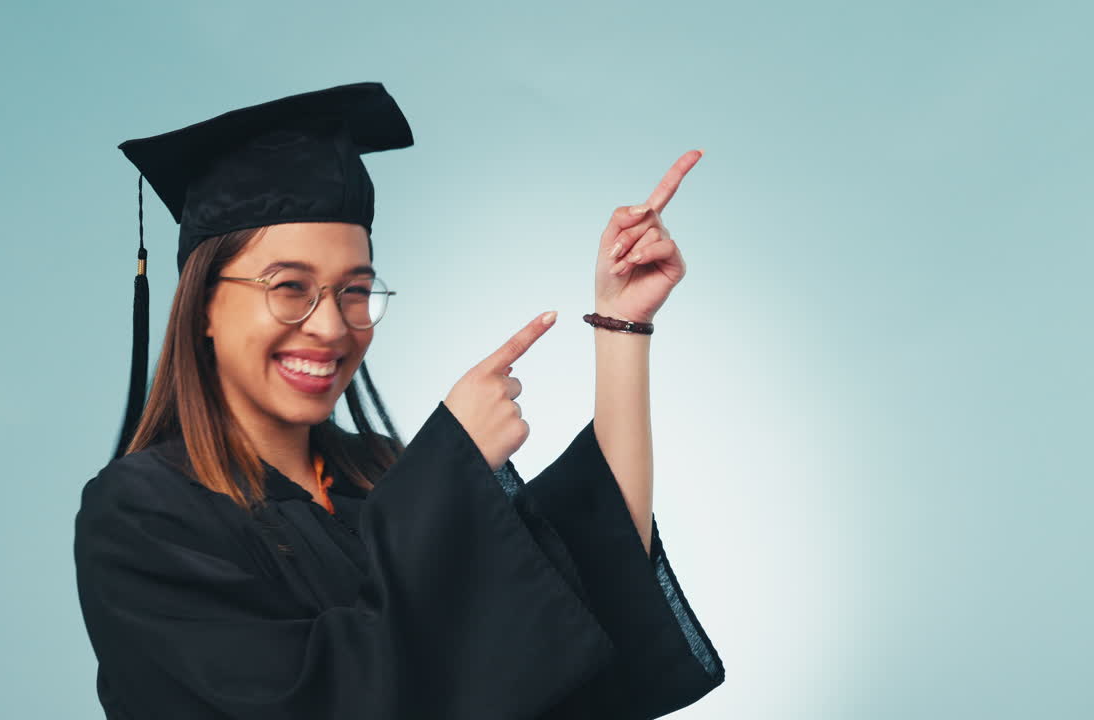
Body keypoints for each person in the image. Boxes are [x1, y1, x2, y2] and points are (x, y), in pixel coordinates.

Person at [73, 82, 723, 719]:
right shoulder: (139, 516)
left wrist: (622, 325)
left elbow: (591, 582)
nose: (331, 327)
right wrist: (451, 469)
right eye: (289, 286)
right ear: (204, 304)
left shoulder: (377, 473)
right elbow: (326, 699)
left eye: (356, 290)